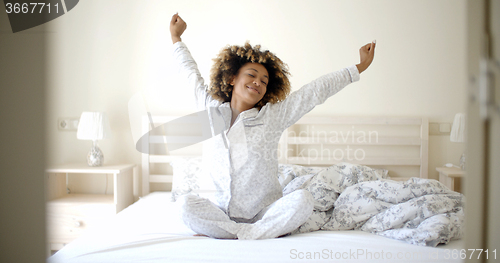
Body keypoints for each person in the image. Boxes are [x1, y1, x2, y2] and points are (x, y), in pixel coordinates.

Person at [170, 13, 375, 240]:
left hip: (263, 213)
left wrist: (358, 67)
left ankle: (234, 233)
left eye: (264, 81)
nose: (258, 82)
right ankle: (248, 234)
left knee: (303, 200)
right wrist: (175, 37)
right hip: (219, 212)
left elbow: (314, 92)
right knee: (183, 205)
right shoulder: (210, 108)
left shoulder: (272, 117)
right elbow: (189, 73)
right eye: (252, 75)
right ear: (231, 79)